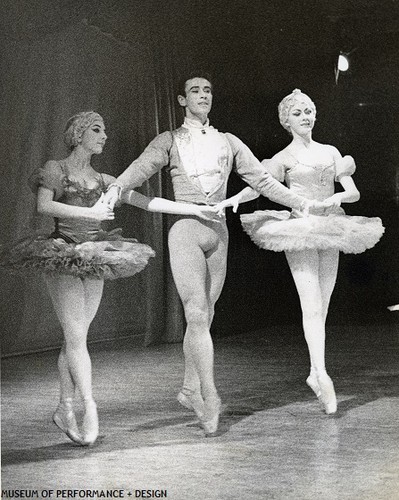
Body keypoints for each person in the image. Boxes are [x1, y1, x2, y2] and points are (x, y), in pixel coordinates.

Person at [103, 75, 330, 435]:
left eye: (208, 90)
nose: (203, 95)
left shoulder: (228, 141)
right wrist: (117, 185)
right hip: (187, 230)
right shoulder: (169, 140)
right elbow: (141, 168)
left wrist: (302, 200)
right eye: (195, 90)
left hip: (219, 233)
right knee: (195, 313)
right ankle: (209, 395)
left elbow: (263, 181)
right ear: (181, 99)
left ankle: (189, 387)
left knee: (206, 315)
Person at [0, 111, 215, 446]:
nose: (104, 136)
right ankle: (90, 408)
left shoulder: (105, 179)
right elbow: (44, 206)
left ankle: (63, 406)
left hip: (97, 252)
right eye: (97, 130)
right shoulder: (57, 168)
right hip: (63, 253)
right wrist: (91, 213)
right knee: (76, 337)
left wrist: (191, 210)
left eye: (105, 130)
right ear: (79, 133)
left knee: (76, 337)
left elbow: (146, 202)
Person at [218, 89, 384, 414]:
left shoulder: (331, 152)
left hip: (331, 225)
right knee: (310, 305)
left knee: (322, 305)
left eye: (309, 111)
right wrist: (233, 199)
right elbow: (261, 185)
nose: (306, 116)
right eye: (298, 113)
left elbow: (353, 192)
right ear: (286, 120)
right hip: (300, 228)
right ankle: (321, 373)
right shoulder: (282, 158)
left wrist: (336, 199)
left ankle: (314, 372)